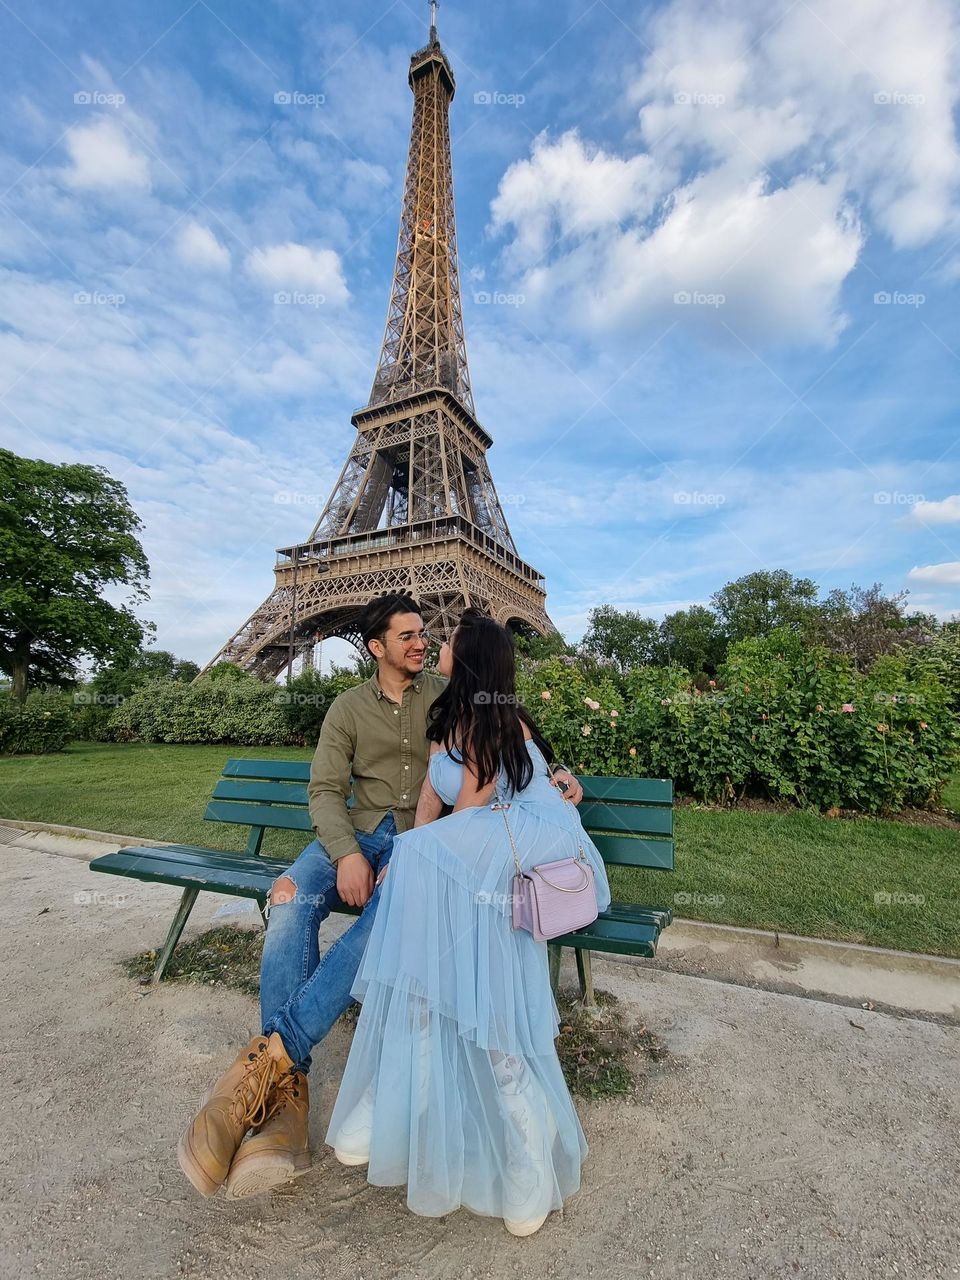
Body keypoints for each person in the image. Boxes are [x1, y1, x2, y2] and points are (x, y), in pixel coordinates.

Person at [176, 594, 583, 1201]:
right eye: (409, 636)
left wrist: (557, 776)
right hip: (355, 835)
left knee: (388, 920)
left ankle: (271, 1071)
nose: (422, 642)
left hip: (416, 846)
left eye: (428, 635)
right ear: (377, 647)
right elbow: (323, 790)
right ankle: (286, 1089)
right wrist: (344, 853)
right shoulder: (345, 708)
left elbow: (508, 743)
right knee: (288, 905)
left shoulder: (447, 700)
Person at [325, 609, 611, 1237]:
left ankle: (523, 1151)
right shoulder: (446, 718)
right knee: (416, 866)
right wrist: (407, 867)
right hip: (490, 847)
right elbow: (431, 809)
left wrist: (417, 862)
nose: (438, 641)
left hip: (527, 841)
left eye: (449, 638)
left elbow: (474, 814)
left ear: (473, 656)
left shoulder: (492, 719)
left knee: (428, 874)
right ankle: (401, 1091)